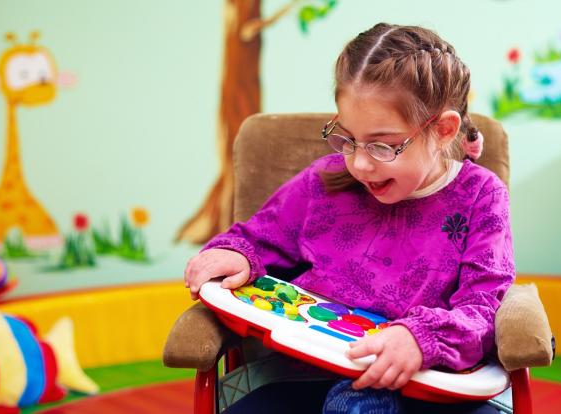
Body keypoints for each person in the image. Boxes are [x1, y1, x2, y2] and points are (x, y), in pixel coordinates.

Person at [185, 23, 513, 414]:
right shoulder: (323, 182)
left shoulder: (480, 195)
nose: (359, 163)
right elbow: (258, 238)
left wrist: (421, 338)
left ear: (443, 130)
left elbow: (484, 306)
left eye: (381, 145)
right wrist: (236, 254)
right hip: (310, 369)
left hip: (424, 382)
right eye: (347, 139)